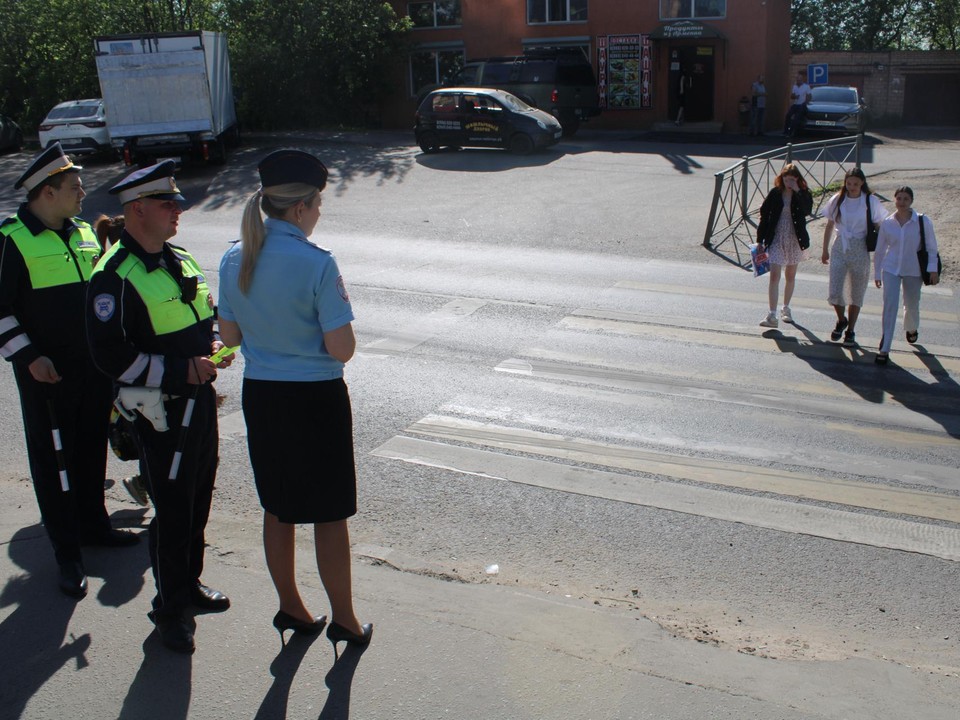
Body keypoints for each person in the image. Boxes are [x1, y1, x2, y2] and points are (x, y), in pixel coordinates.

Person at [217, 149, 372, 656]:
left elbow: (231, 335)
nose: (320, 213)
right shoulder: (316, 263)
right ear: (302, 208)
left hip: (262, 396)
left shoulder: (234, 257)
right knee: (329, 514)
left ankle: (292, 606)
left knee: (278, 508)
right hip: (316, 399)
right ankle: (345, 620)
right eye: (319, 204)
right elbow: (341, 348)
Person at [86, 161, 232, 654]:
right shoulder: (113, 277)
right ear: (137, 210)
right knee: (171, 513)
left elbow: (202, 315)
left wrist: (213, 348)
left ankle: (188, 586)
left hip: (199, 401)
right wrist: (179, 371)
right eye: (169, 205)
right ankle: (169, 611)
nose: (178, 213)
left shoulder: (179, 257)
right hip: (160, 411)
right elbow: (109, 356)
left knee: (197, 502)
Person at [0, 143, 138, 600]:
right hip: (47, 376)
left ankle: (95, 525)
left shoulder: (82, 232)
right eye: (75, 187)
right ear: (47, 192)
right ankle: (66, 552)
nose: (83, 193)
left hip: (92, 371)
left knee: (87, 450)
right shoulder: (12, 239)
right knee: (54, 462)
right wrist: (30, 358)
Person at [93, 214, 150, 507]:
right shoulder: (116, 275)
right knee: (150, 438)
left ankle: (145, 482)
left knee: (147, 437)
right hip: (136, 378)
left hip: (135, 378)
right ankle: (145, 483)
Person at [873, 186, 940, 365]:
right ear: (894, 200)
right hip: (891, 269)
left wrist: (933, 269)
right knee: (890, 306)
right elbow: (880, 251)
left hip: (913, 269)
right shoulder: (887, 223)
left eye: (905, 199)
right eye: (899, 198)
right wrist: (877, 273)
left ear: (911, 201)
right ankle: (884, 347)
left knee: (911, 304)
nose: (902, 202)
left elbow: (932, 247)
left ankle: (911, 328)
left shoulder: (922, 221)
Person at [821, 168, 886, 348]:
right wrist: (824, 249)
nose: (852, 187)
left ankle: (850, 329)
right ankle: (841, 320)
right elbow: (829, 225)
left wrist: (884, 249)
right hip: (840, 245)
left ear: (862, 183)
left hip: (860, 246)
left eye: (856, 184)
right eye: (849, 183)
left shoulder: (870, 201)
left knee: (856, 292)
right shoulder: (838, 199)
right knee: (835, 291)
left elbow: (881, 225)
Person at [756, 163, 813, 327]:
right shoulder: (775, 193)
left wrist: (798, 192)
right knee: (774, 276)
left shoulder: (802, 194)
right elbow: (764, 216)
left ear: (797, 179)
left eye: (792, 179)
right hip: (776, 236)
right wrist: (760, 240)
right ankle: (772, 315)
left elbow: (807, 210)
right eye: (786, 179)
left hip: (794, 238)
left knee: (790, 275)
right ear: (782, 179)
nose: (789, 182)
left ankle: (786, 308)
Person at [783, 70, 811, 137]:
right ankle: (785, 131)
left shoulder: (806, 87)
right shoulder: (795, 86)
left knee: (796, 119)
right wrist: (795, 96)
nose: (798, 81)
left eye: (799, 80)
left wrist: (805, 103)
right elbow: (792, 96)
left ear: (802, 80)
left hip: (801, 105)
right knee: (788, 115)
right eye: (797, 80)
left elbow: (809, 96)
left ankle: (791, 133)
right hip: (795, 104)